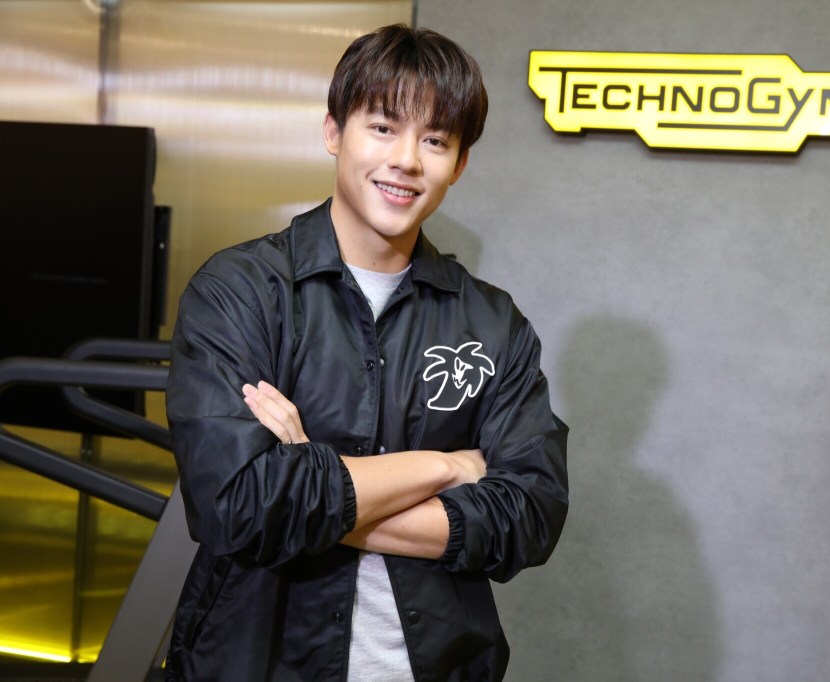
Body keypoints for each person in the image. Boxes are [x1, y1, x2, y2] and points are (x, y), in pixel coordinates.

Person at [164, 23, 569, 681]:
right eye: (383, 127)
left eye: (435, 140)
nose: (407, 159)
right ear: (334, 131)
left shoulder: (493, 323)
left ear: (459, 163)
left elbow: (528, 517)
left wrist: (306, 477)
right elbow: (237, 504)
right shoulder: (240, 292)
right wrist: (442, 466)